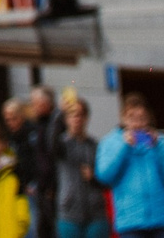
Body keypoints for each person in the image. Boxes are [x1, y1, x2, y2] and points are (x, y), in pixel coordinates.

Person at [94, 97, 164, 238]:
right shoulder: (110, 142)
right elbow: (104, 176)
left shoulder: (162, 142)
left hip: (161, 220)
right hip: (130, 222)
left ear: (149, 119)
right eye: (132, 118)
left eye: (142, 118)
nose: (137, 123)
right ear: (123, 119)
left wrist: (158, 146)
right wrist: (124, 146)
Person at [56, 94, 108, 238]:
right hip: (69, 213)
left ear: (86, 118)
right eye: (72, 115)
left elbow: (107, 179)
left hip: (96, 213)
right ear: (66, 119)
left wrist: (94, 177)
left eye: (80, 115)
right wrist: (58, 112)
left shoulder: (96, 146)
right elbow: (49, 143)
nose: (77, 119)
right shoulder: (61, 145)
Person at [14, 89, 62, 238]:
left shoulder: (56, 122)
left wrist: (48, 184)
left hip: (53, 187)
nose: (32, 106)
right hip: (41, 187)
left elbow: (51, 157)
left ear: (44, 103)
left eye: (33, 102)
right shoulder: (38, 125)